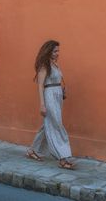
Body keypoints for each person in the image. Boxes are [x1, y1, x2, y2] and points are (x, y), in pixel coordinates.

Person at [26, 40, 75, 170]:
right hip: (49, 96)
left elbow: (57, 80)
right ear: (48, 51)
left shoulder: (55, 64)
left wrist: (62, 89)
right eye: (55, 51)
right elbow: (40, 86)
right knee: (57, 124)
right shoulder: (44, 65)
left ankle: (33, 150)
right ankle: (63, 157)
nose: (57, 53)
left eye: (58, 51)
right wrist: (42, 104)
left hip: (57, 96)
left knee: (48, 124)